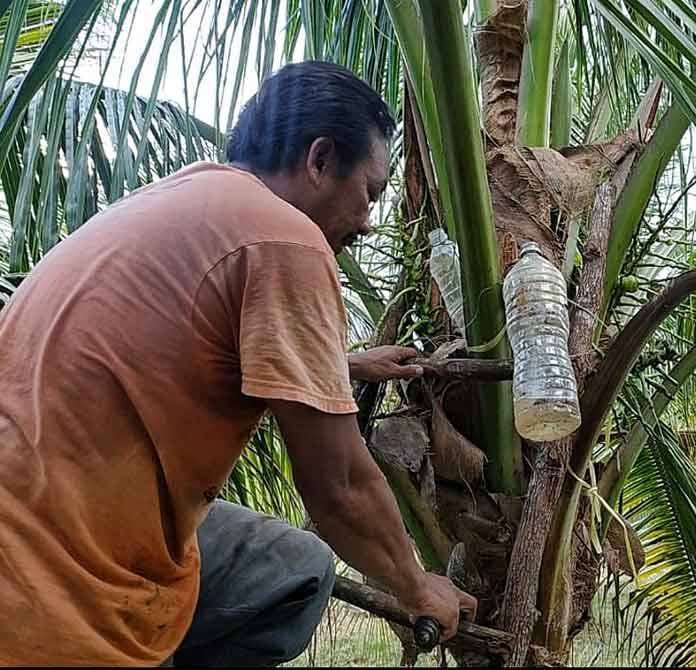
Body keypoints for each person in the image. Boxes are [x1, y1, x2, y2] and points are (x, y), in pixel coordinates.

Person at [0, 61, 476, 666]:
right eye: (370, 193)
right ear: (321, 159)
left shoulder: (191, 199)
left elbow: (186, 347)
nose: (367, 220)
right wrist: (417, 588)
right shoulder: (285, 240)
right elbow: (340, 487)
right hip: (47, 578)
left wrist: (346, 365)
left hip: (35, 497)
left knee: (295, 568)